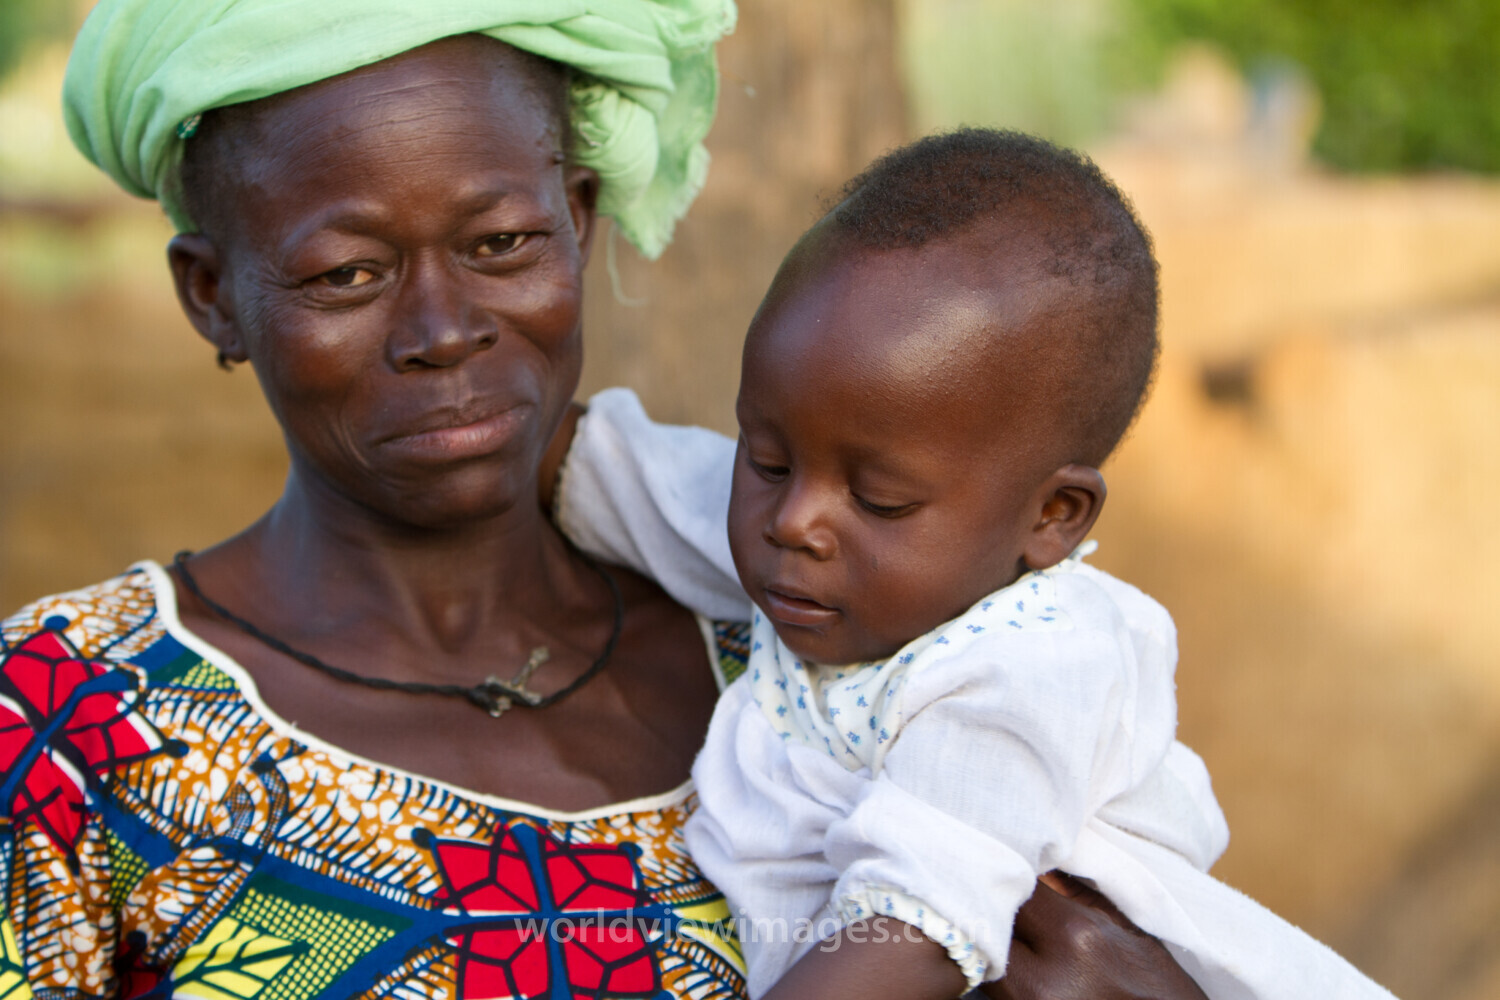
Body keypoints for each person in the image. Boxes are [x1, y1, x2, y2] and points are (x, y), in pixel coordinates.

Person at [0, 2, 1213, 998]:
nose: (445, 330)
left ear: (579, 222)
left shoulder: (818, 657)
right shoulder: (64, 724)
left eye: (503, 244)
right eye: (347, 273)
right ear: (212, 293)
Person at [553, 132, 1397, 999]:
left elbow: (914, 926)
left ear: (1051, 518)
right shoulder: (825, 562)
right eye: (768, 458)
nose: (796, 519)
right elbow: (600, 466)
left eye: (879, 500)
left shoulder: (1031, 669)